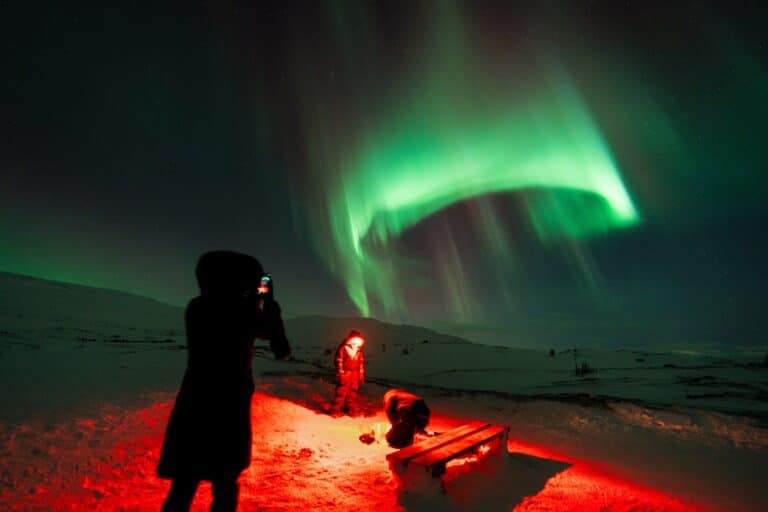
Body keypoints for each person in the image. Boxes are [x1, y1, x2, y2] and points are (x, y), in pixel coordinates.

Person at [157, 251, 291, 512]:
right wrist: (267, 302)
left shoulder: (198, 306)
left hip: (195, 401)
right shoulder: (242, 311)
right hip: (228, 405)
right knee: (225, 483)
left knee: (184, 481)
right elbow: (277, 344)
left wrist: (256, 301)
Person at [330, 330, 366, 417]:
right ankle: (335, 410)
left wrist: (361, 374)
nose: (356, 343)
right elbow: (339, 361)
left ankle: (349, 408)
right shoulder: (343, 348)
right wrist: (341, 373)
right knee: (341, 391)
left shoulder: (359, 350)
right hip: (346, 373)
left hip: (355, 374)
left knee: (352, 392)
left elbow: (361, 363)